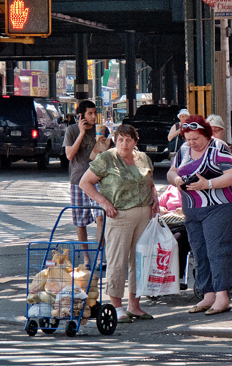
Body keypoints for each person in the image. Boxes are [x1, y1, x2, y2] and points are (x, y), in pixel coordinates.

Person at [79, 124, 159, 323]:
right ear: (115, 139)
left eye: (129, 140)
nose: (124, 143)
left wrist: (155, 198)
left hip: (144, 213)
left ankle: (135, 305)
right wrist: (104, 203)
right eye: (120, 139)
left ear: (135, 141)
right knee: (117, 261)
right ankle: (116, 305)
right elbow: (84, 182)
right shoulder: (106, 158)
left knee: (139, 261)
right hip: (119, 215)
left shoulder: (143, 158)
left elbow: (149, 182)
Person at [167, 115, 232, 316]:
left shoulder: (218, 148)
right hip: (193, 209)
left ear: (206, 135)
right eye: (188, 139)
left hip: (219, 207)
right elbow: (171, 171)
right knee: (200, 251)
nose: (191, 143)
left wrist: (207, 184)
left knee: (218, 250)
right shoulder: (183, 150)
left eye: (195, 139)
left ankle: (222, 296)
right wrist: (177, 180)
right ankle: (208, 295)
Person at [63, 100, 110, 267]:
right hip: (77, 180)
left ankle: (99, 257)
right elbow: (69, 155)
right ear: (81, 115)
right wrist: (82, 133)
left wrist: (101, 141)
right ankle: (86, 258)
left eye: (94, 113)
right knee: (80, 222)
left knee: (100, 217)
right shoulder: (72, 130)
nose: (93, 117)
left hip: (97, 180)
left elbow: (108, 155)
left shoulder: (102, 130)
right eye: (89, 113)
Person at [158, 185, 191, 290]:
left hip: (185, 224)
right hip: (168, 223)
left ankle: (176, 276)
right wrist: (161, 209)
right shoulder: (171, 188)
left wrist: (185, 210)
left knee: (178, 239)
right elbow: (157, 204)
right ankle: (157, 276)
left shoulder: (193, 187)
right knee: (156, 239)